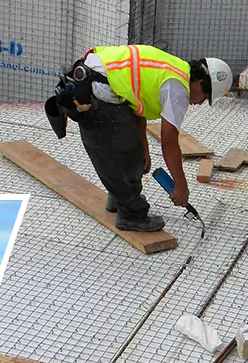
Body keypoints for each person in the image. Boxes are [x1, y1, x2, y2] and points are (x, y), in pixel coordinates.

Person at [46, 44, 233, 232]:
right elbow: (169, 144)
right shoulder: (178, 90)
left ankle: (120, 197)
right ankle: (131, 214)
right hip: (99, 89)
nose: (200, 103)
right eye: (204, 97)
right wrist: (182, 188)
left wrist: (144, 146)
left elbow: (137, 103)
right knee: (125, 155)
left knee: (128, 150)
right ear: (199, 82)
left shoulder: (176, 69)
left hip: (99, 79)